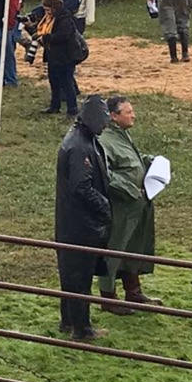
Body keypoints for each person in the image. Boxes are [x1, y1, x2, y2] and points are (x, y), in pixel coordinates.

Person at [54, 95, 112, 341]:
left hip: (71, 221)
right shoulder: (80, 146)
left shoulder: (79, 139)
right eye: (103, 121)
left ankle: (69, 321)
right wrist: (104, 206)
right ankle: (82, 328)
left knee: (71, 275)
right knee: (79, 276)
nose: (105, 125)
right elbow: (82, 187)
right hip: (80, 223)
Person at [98, 96, 160, 313]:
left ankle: (133, 292)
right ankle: (108, 298)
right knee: (115, 249)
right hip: (121, 205)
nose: (133, 115)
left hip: (137, 203)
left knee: (134, 246)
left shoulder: (122, 135)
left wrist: (150, 161)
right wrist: (130, 189)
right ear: (114, 116)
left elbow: (131, 159)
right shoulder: (105, 140)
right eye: (128, 112)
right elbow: (106, 173)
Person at [35, 0, 80, 117]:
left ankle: (72, 109)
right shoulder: (50, 18)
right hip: (53, 55)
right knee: (53, 81)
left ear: (54, 7)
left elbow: (63, 36)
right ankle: (55, 106)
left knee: (67, 83)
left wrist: (47, 38)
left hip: (66, 56)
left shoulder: (65, 18)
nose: (46, 12)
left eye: (48, 10)